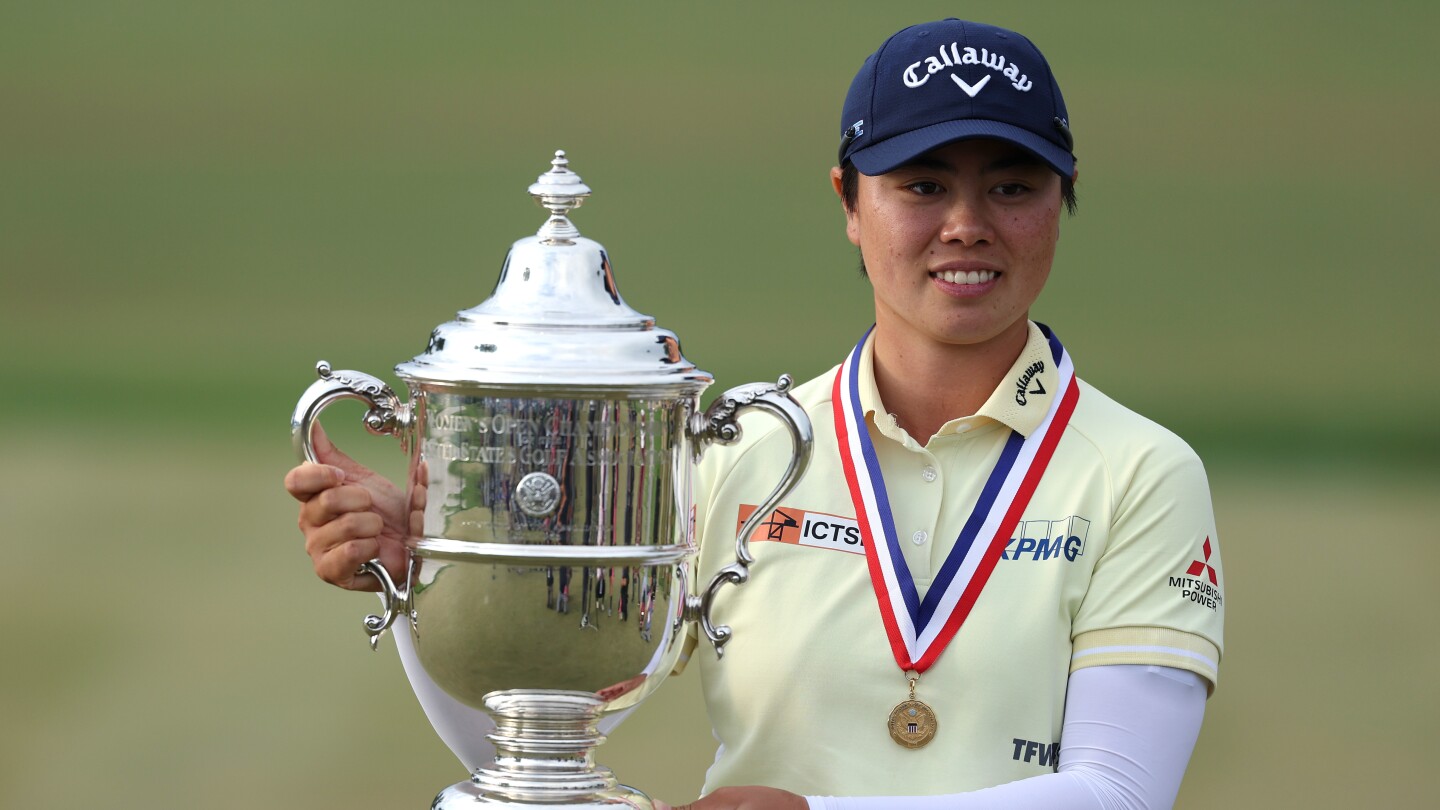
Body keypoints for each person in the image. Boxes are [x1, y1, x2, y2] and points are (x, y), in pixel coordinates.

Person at [285, 19, 1224, 810]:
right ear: (848, 203)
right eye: (923, 185)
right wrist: (432, 584)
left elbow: (1119, 791)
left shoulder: (1138, 471)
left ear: (1065, 201)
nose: (967, 224)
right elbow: (543, 743)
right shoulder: (747, 448)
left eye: (1012, 186)